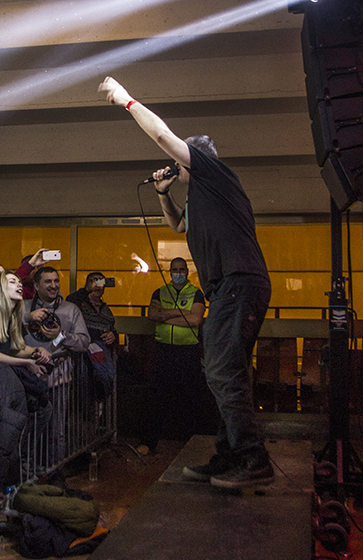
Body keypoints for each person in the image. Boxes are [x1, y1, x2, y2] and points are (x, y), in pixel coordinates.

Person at [98, 76, 273, 488]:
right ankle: (229, 454)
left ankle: (253, 457)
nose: (177, 167)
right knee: (221, 371)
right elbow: (178, 224)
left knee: (223, 371)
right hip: (228, 288)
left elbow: (162, 135)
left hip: (239, 282)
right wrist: (164, 193)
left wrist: (126, 100)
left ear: (196, 160)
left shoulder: (216, 174)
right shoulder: (201, 198)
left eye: (182, 163)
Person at [143, 257, 216, 452]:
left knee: (194, 399)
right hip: (163, 351)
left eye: (181, 270)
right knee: (157, 398)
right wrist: (181, 312)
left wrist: (165, 315)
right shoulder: (160, 292)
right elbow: (152, 315)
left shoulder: (196, 293)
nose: (178, 273)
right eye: (175, 270)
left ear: (187, 272)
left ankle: (198, 443)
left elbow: (195, 319)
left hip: (188, 352)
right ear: (169, 272)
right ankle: (150, 443)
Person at [23, 267, 90, 357]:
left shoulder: (71, 309)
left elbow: (84, 344)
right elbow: (6, 330)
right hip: (28, 362)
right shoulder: (23, 307)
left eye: (56, 281)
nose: (54, 286)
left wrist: (61, 336)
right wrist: (27, 317)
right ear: (36, 286)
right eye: (48, 281)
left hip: (60, 363)